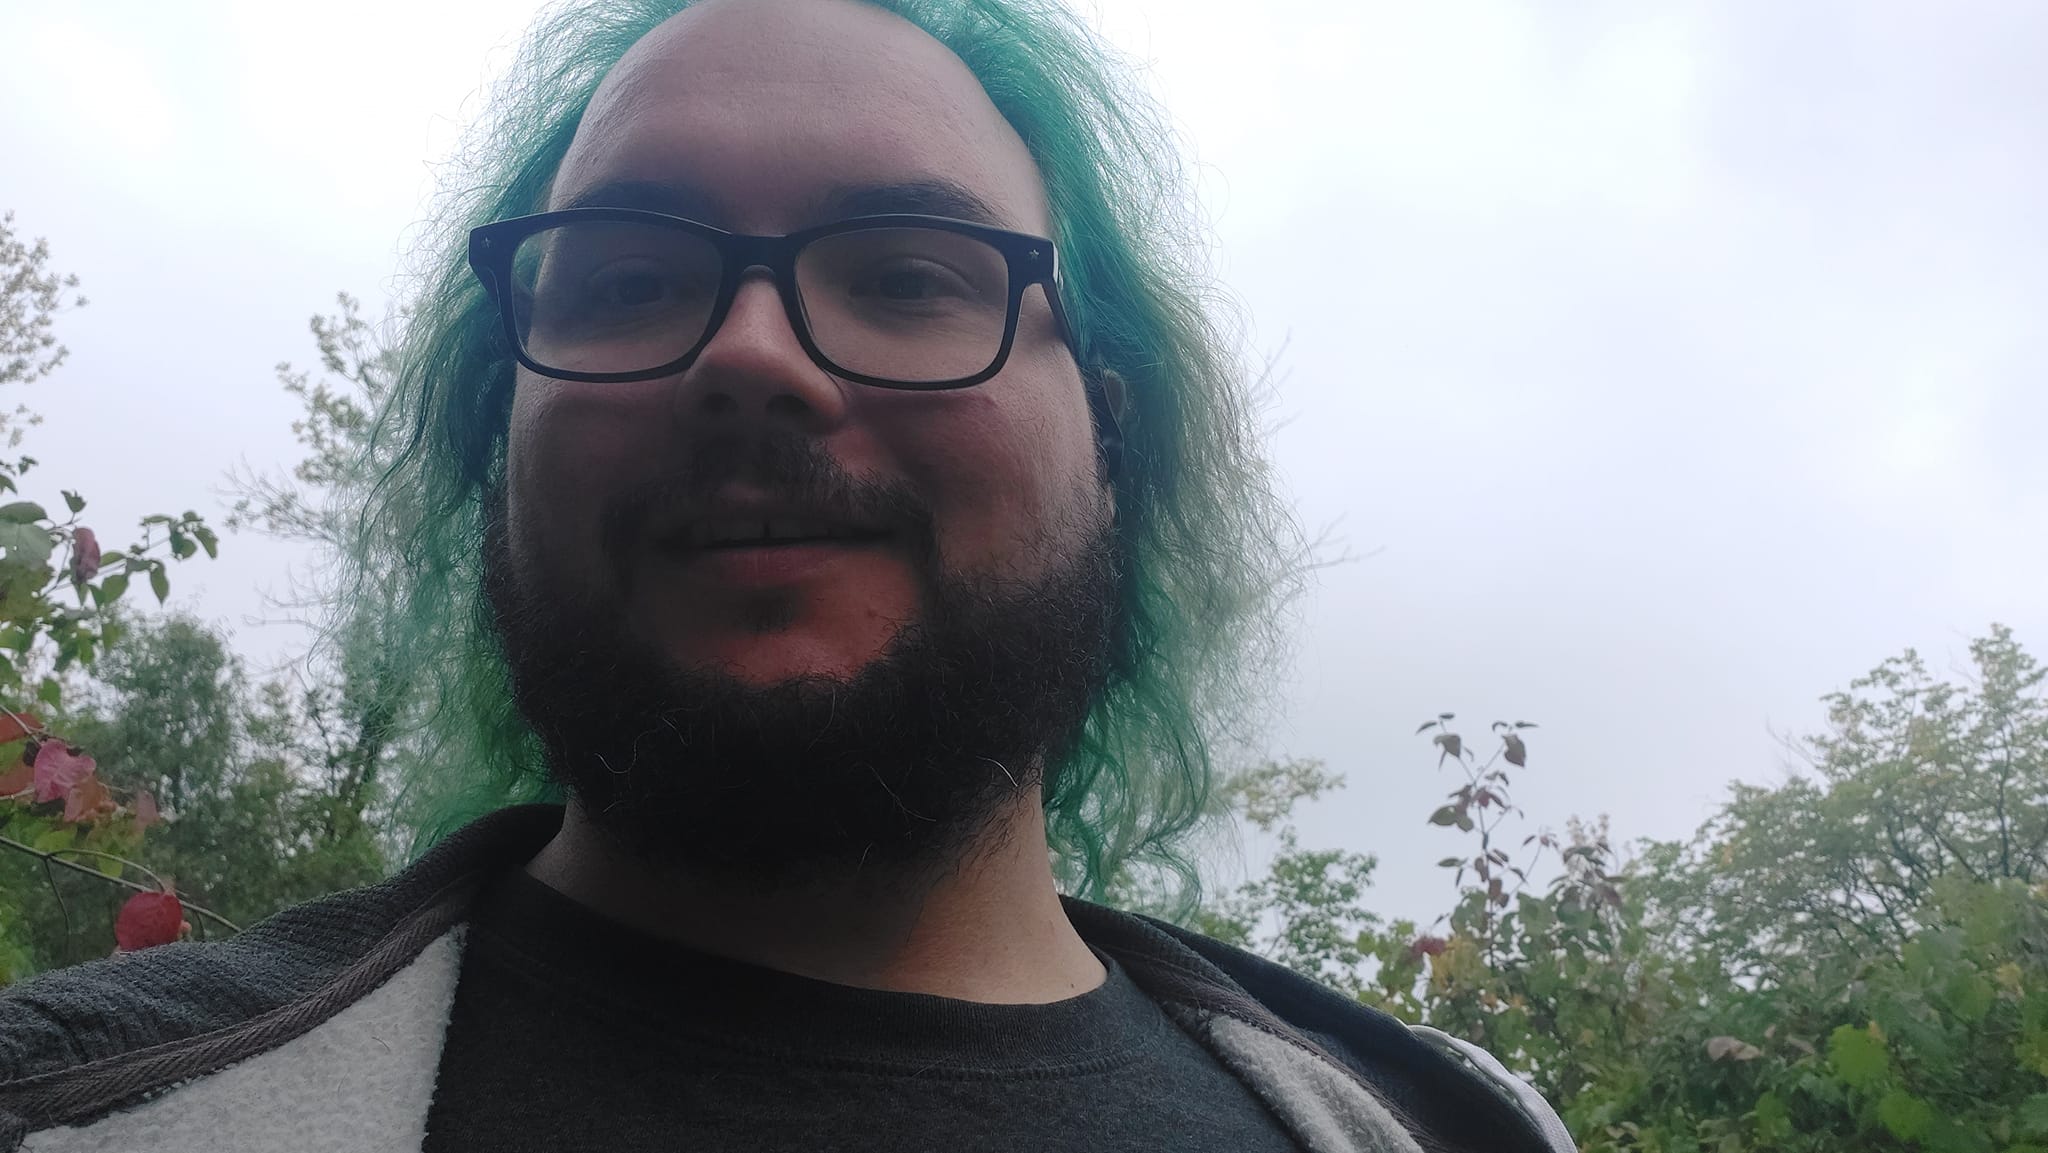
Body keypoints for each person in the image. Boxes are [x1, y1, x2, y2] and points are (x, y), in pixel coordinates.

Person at [0, 1, 1572, 1150]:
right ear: (504, 431)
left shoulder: (1454, 1130)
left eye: (904, 274)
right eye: (628, 278)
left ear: (1110, 421)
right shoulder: (66, 1106)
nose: (750, 357)